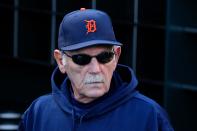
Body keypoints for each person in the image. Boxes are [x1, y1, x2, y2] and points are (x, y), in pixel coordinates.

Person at [18, 8, 174, 131]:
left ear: (116, 56)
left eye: (104, 57)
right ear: (61, 61)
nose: (95, 69)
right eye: (82, 59)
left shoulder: (149, 116)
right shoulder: (38, 113)